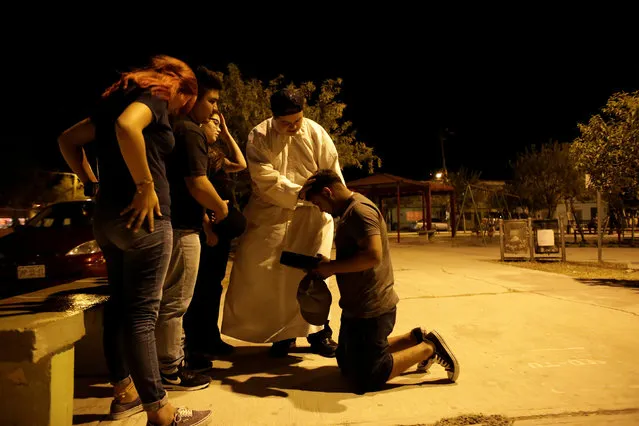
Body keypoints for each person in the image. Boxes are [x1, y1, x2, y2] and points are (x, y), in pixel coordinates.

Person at [57, 55, 211, 426]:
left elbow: (67, 140)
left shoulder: (112, 107)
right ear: (181, 89)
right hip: (145, 221)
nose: (179, 110)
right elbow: (129, 127)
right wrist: (145, 185)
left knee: (120, 309)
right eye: (184, 102)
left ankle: (124, 393)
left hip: (108, 219)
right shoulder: (156, 99)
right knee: (142, 316)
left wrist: (91, 180)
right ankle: (160, 410)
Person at [300, 169, 460, 394]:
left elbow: (373, 256)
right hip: (355, 306)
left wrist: (331, 268)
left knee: (366, 378)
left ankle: (429, 347)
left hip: (371, 307)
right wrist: (328, 264)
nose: (321, 209)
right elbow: (358, 254)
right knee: (346, 364)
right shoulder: (349, 210)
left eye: (318, 203)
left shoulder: (359, 212)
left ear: (327, 191)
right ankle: (415, 338)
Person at [221, 89, 342, 357]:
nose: (293, 127)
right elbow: (263, 176)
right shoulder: (260, 135)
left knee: (314, 274)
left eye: (297, 121)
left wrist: (331, 203)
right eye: (286, 123)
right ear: (274, 117)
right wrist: (296, 191)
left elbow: (332, 171)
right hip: (272, 214)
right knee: (272, 277)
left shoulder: (315, 132)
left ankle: (320, 333)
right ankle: (282, 336)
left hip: (313, 214)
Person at [155, 66, 229, 391]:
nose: (215, 108)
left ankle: (165, 366)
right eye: (211, 101)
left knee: (166, 302)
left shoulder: (174, 127)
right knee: (175, 303)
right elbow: (197, 184)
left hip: (171, 225)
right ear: (193, 96)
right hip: (182, 228)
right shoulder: (190, 131)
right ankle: (171, 371)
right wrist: (221, 207)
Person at [183, 109, 247, 370]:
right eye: (214, 123)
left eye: (221, 125)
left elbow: (241, 164)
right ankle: (196, 344)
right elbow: (193, 192)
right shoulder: (195, 155)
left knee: (213, 288)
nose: (218, 128)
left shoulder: (216, 157)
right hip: (207, 233)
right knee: (200, 291)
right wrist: (207, 227)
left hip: (220, 235)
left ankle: (211, 338)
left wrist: (228, 133)